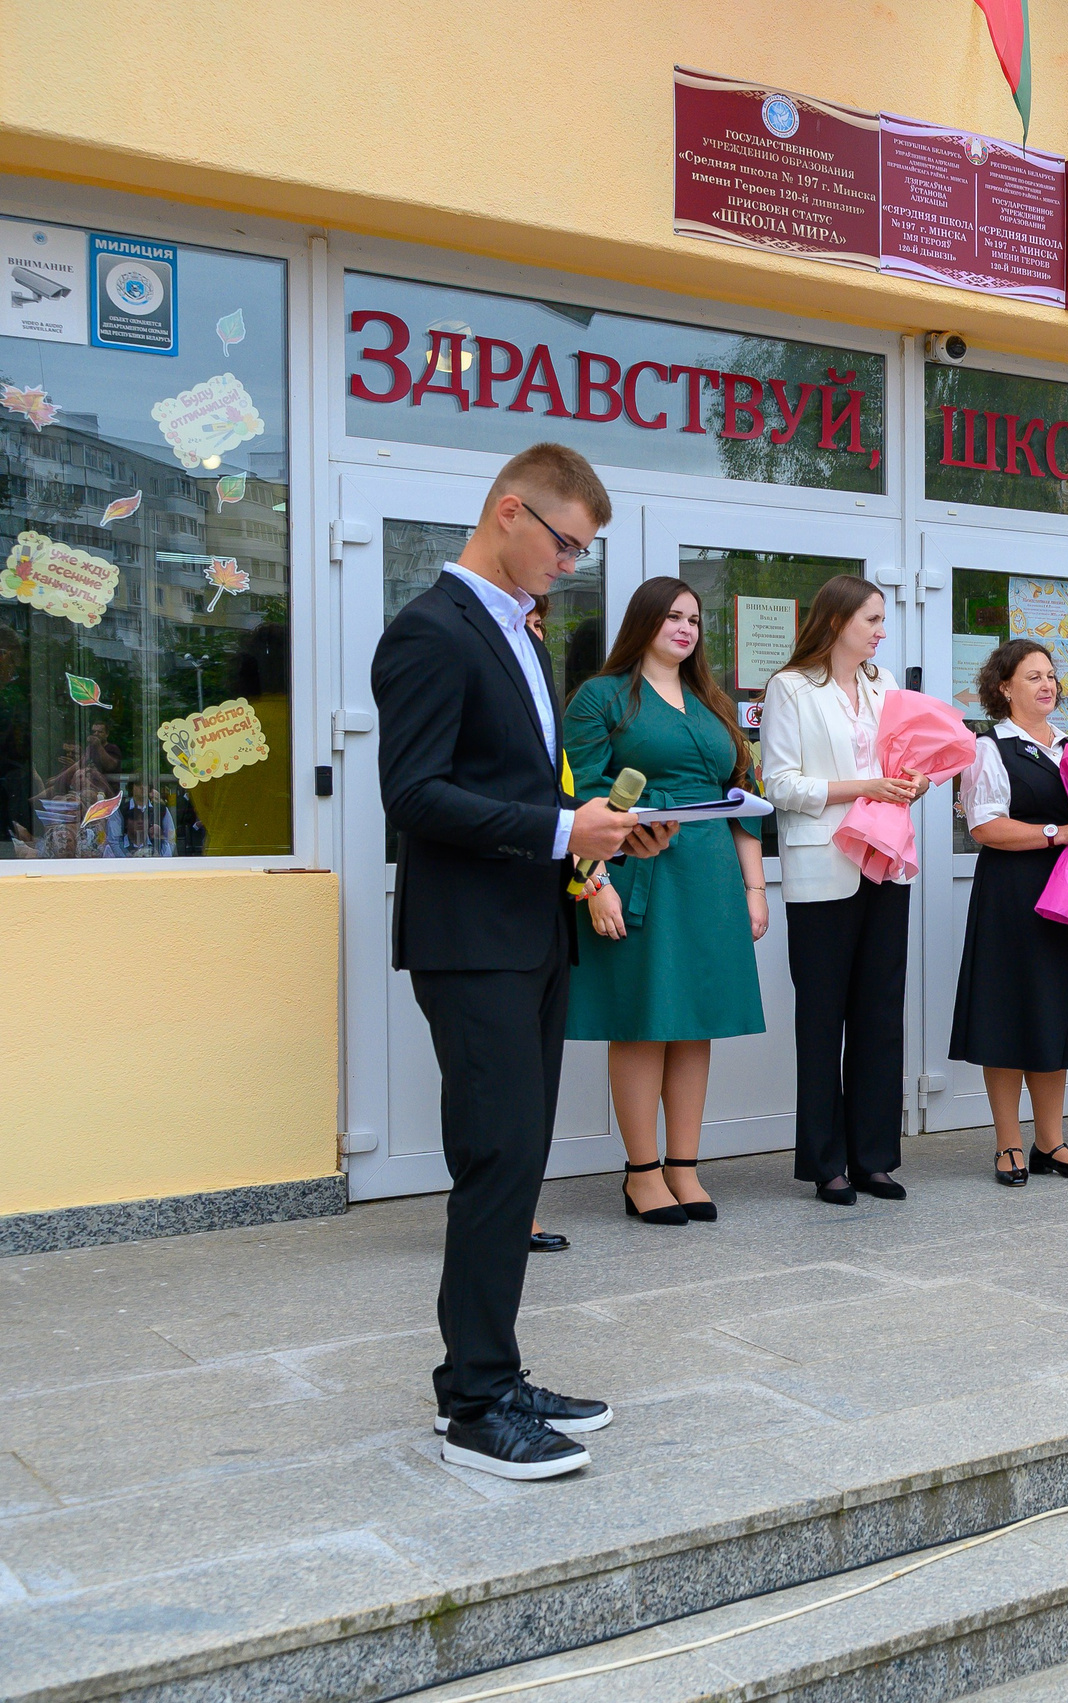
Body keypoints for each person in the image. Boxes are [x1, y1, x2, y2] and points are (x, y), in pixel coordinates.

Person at [373, 442, 667, 1480]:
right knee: (495, 1158)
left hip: (531, 930)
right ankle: (472, 1405)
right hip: (471, 941)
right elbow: (411, 795)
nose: (570, 565)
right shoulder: (429, 631)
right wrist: (556, 837)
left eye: (583, 551)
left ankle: (495, 1367)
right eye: (564, 543)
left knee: (517, 1159)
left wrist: (597, 839)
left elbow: (529, 788)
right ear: (510, 513)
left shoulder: (517, 636)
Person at [565, 578, 768, 1227]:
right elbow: (579, 796)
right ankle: (642, 1172)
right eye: (673, 616)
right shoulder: (601, 696)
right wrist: (593, 882)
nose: (685, 627)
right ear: (644, 621)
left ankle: (685, 1166)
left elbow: (741, 795)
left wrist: (755, 887)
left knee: (692, 1022)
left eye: (694, 618)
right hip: (633, 870)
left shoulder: (711, 701)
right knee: (643, 1020)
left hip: (708, 875)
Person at [762, 575, 922, 1205]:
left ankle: (874, 1158)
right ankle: (826, 1162)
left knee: (882, 1015)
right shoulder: (790, 687)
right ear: (835, 623)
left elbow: (909, 761)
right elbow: (780, 784)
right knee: (823, 1018)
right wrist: (862, 789)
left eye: (882, 621)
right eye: (872, 620)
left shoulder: (887, 687)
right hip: (822, 866)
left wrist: (913, 784)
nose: (881, 632)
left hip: (884, 859)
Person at [952, 640, 1068, 1184]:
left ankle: (1051, 1141)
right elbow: (984, 827)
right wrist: (1056, 833)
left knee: (1054, 1012)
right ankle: (1008, 1145)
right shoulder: (988, 747)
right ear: (1004, 688)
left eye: (1051, 676)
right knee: (1010, 1013)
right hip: (1014, 891)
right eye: (1033, 676)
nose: (1047, 685)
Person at [522, 594, 566, 1258]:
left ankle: (519, 1203)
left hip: (551, 897)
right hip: (493, 905)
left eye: (539, 622)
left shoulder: (542, 676)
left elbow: (565, 789)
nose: (533, 632)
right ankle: (506, 1208)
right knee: (505, 1083)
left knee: (539, 1076)